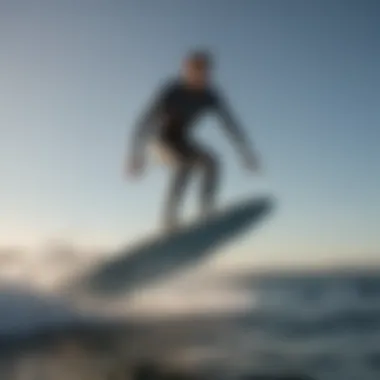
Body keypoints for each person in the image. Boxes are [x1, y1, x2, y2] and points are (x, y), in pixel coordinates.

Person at [126, 49, 260, 231]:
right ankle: (169, 221)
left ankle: (206, 212)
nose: (198, 76)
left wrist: (246, 152)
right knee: (185, 164)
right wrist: (135, 154)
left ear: (208, 73)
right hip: (158, 141)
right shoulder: (173, 91)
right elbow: (145, 121)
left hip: (181, 140)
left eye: (203, 72)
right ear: (186, 71)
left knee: (212, 162)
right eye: (193, 71)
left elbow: (231, 125)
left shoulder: (210, 96)